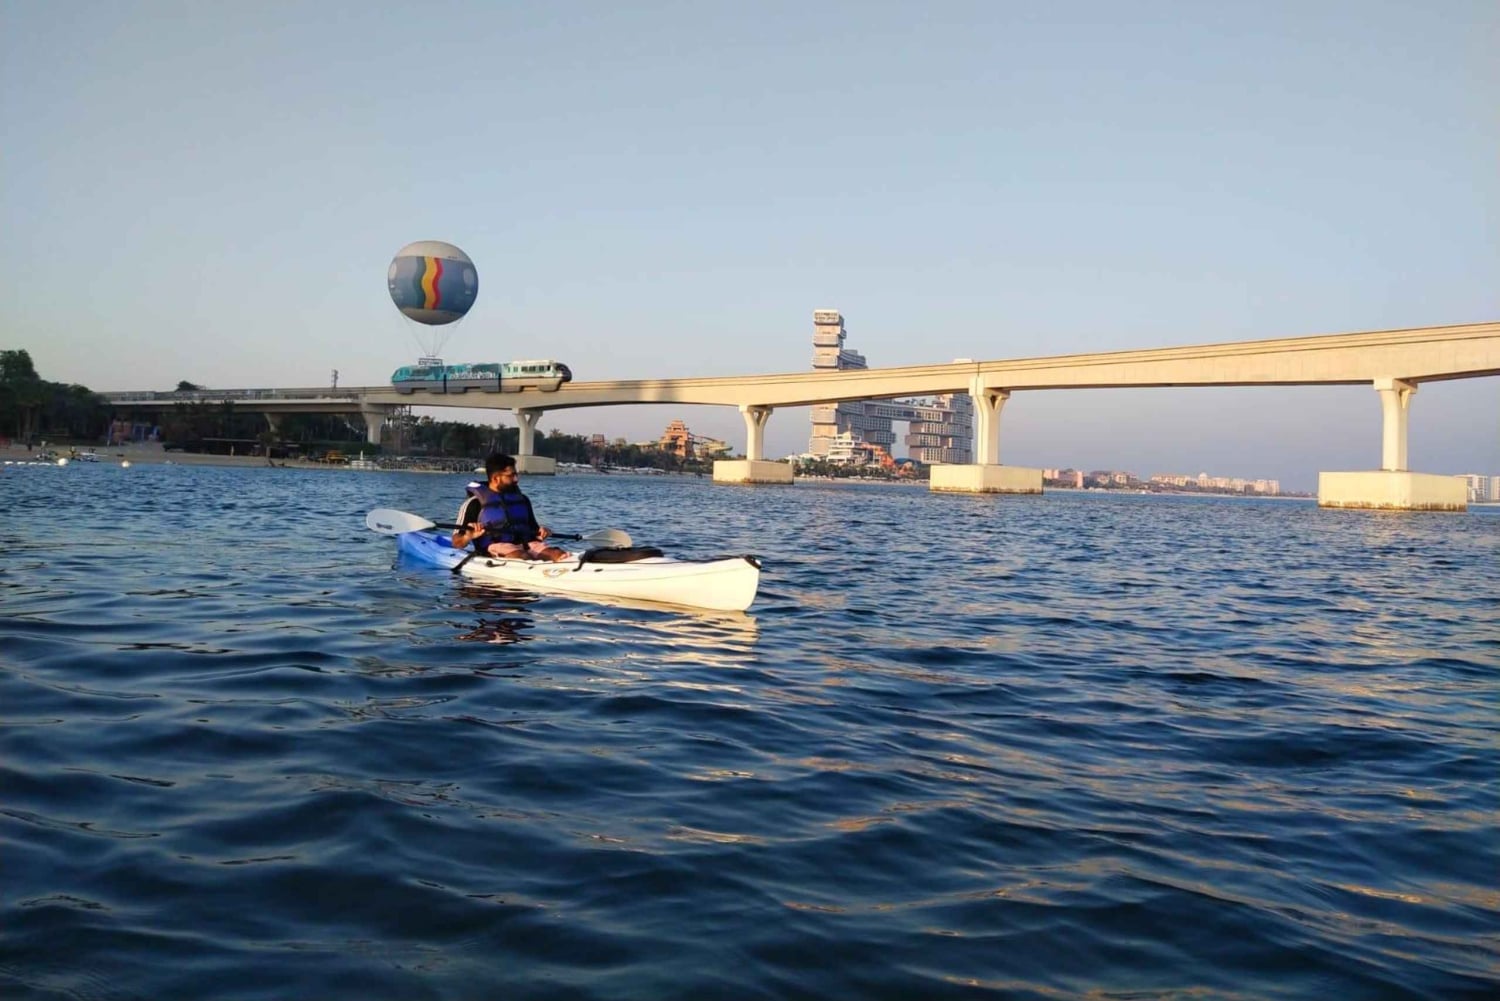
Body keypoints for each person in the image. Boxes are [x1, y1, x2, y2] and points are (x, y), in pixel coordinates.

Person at [451, 453, 569, 561]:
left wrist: (543, 531)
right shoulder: (474, 503)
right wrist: (467, 537)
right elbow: (456, 543)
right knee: (522, 557)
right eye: (511, 475)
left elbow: (534, 529)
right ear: (496, 478)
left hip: (527, 544)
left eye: (516, 474)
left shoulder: (523, 500)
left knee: (557, 554)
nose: (516, 479)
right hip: (495, 547)